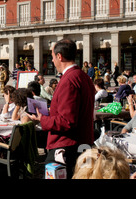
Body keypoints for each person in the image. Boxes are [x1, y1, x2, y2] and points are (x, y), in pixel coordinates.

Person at [28, 38, 95, 179]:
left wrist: (43, 119)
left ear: (59, 56)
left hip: (67, 147)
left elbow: (67, 121)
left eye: (52, 57)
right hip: (83, 143)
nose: (52, 61)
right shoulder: (83, 76)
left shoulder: (69, 80)